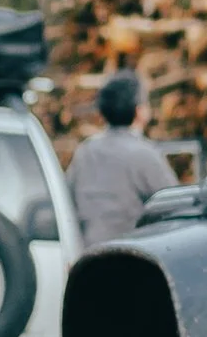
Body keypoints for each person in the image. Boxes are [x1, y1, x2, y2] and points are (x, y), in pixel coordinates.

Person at [67, 73, 175, 249]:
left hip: (88, 256)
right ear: (140, 111)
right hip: (131, 257)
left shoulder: (85, 152)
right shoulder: (144, 154)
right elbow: (173, 206)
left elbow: (68, 201)